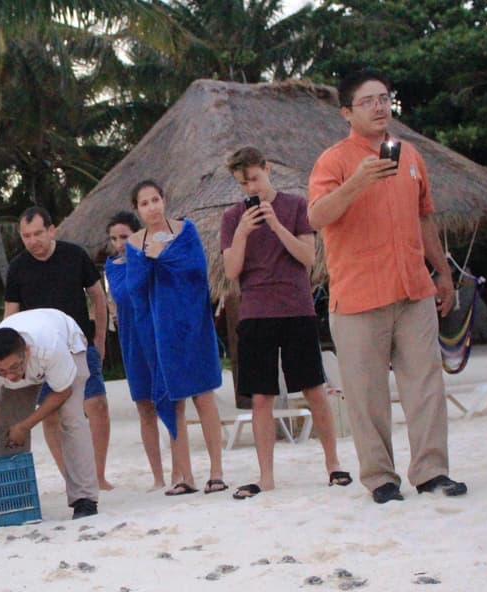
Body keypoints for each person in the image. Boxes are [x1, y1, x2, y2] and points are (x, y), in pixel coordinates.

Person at [308, 69, 467, 503]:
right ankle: (380, 478)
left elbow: (424, 216)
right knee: (367, 395)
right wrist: (358, 181)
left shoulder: (410, 154)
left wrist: (443, 272)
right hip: (358, 296)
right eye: (368, 101)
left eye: (384, 98)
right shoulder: (334, 161)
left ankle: (432, 472)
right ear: (346, 112)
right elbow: (317, 216)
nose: (379, 107)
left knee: (426, 386)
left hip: (414, 289)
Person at [220, 146, 349, 499]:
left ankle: (333, 464)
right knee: (261, 397)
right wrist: (242, 233)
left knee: (313, 390)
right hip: (255, 312)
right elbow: (231, 271)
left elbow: (307, 258)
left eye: (254, 179)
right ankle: (266, 476)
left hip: (296, 308)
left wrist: (276, 225)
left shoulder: (295, 205)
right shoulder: (232, 218)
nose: (251, 188)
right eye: (243, 183)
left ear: (267, 169)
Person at [125, 180, 227, 496]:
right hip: (160, 330)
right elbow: (134, 287)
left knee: (204, 397)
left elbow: (198, 269)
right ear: (137, 209)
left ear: (164, 200)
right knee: (174, 402)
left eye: (155, 199)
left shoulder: (186, 230)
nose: (152, 207)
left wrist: (164, 256)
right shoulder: (134, 243)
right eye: (144, 203)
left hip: (194, 324)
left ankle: (217, 472)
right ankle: (185, 475)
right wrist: (150, 259)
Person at [5, 207, 112, 490]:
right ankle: (70, 477)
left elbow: (98, 297)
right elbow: (10, 316)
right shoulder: (17, 268)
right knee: (50, 414)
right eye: (26, 236)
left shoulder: (74, 255)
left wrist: (100, 339)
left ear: (51, 230)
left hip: (79, 344)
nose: (33, 241)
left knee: (97, 405)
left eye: (38, 233)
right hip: (38, 354)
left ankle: (97, 475)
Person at [0, 308, 100, 519]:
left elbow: (63, 391)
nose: (9, 376)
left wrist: (25, 425)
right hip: (34, 358)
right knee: (5, 428)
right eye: (1, 370)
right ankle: (13, 497)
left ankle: (85, 499)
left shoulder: (50, 347)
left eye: (14, 367)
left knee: (72, 419)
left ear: (26, 351)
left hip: (68, 342)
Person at [103, 210, 166, 491]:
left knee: (169, 403)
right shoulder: (112, 266)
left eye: (124, 237)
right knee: (144, 408)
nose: (119, 243)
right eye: (114, 238)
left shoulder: (152, 258)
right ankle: (158, 476)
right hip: (131, 341)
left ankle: (181, 471)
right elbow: (116, 300)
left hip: (156, 336)